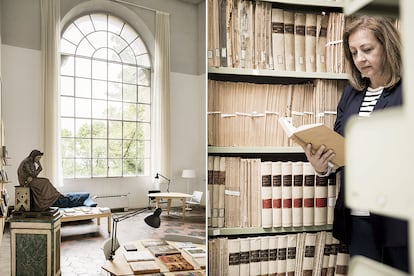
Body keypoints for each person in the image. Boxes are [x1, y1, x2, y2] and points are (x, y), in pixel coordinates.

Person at [303, 16, 408, 272]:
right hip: (358, 217)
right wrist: (322, 166)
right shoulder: (351, 93)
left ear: (388, 46)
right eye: (353, 52)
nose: (359, 58)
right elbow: (342, 148)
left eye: (367, 49)